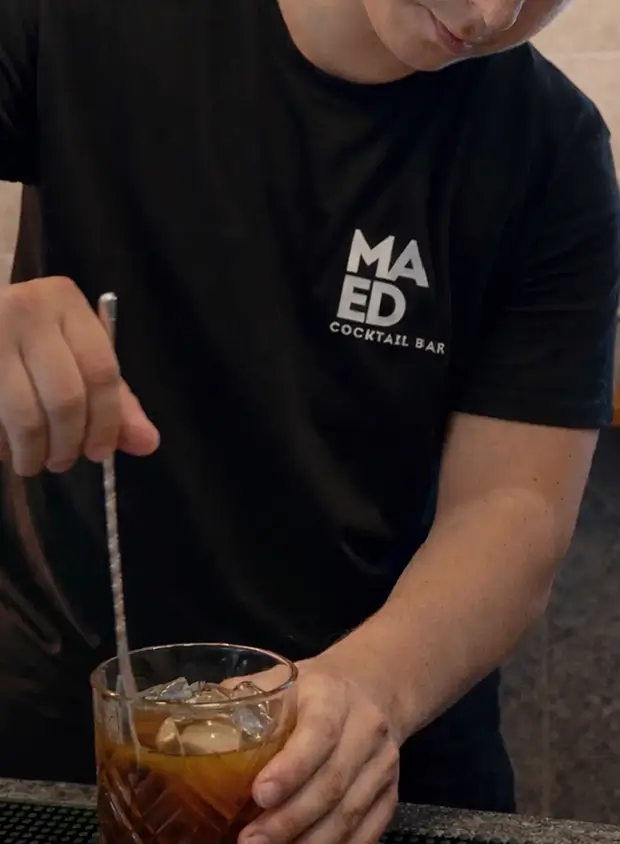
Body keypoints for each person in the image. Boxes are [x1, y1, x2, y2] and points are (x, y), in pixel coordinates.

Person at [0, 0, 618, 839]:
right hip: (67, 727)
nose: (490, 13)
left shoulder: (552, 152)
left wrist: (371, 688)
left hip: (383, 747)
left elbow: (514, 506)